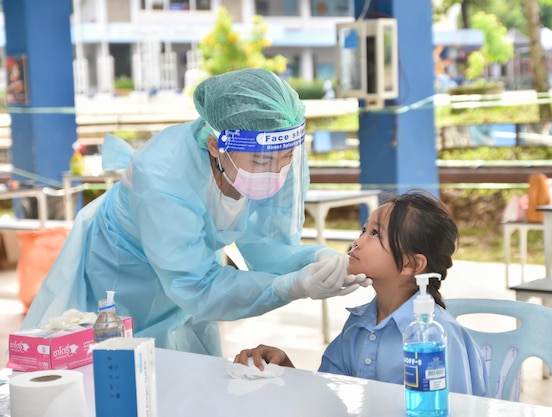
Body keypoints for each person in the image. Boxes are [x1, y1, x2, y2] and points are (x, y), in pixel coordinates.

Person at [21, 68, 369, 356]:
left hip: (191, 265)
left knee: (191, 362)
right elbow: (197, 287)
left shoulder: (273, 143)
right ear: (216, 146)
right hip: (121, 267)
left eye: (287, 157)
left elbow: (268, 244)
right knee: (125, 361)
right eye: (262, 161)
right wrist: (291, 287)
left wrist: (314, 260)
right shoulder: (162, 176)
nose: (276, 171)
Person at [234, 189, 490, 396]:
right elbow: (327, 397)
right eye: (363, 230)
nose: (357, 241)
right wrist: (285, 367)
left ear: (412, 264)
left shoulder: (440, 340)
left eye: (375, 233)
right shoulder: (357, 326)